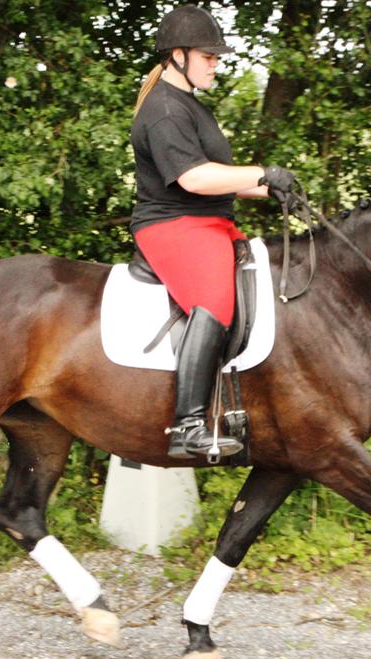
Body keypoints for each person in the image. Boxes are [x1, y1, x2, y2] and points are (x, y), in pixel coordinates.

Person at [130, 4, 296, 459]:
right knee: (216, 298)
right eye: (209, 57)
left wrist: (269, 189)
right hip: (172, 225)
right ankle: (187, 425)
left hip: (207, 221)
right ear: (178, 55)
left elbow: (215, 175)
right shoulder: (164, 109)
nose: (216, 65)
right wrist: (261, 171)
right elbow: (193, 179)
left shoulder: (189, 104)